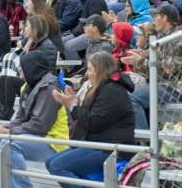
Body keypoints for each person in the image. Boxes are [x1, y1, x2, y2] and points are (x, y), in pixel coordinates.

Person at [0, 14, 69, 188]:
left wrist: (9, 132)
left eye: (22, 69)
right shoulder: (27, 86)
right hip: (34, 135)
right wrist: (6, 127)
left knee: (8, 143)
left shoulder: (49, 87)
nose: (20, 73)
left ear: (31, 69)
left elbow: (39, 125)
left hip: (52, 141)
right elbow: (20, 117)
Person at [46, 52, 135, 186]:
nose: (87, 74)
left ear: (100, 70)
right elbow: (87, 118)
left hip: (110, 149)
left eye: (90, 69)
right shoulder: (100, 88)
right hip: (97, 144)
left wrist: (72, 105)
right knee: (50, 162)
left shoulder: (113, 91)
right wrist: (74, 102)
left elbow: (94, 123)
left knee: (58, 166)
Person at [123, 5, 182, 129]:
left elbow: (167, 70)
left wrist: (140, 61)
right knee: (132, 94)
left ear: (165, 18)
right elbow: (156, 64)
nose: (154, 20)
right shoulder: (165, 38)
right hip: (164, 86)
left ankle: (145, 142)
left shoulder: (180, 38)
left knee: (131, 99)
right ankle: (149, 141)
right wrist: (143, 55)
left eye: (156, 17)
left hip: (177, 89)